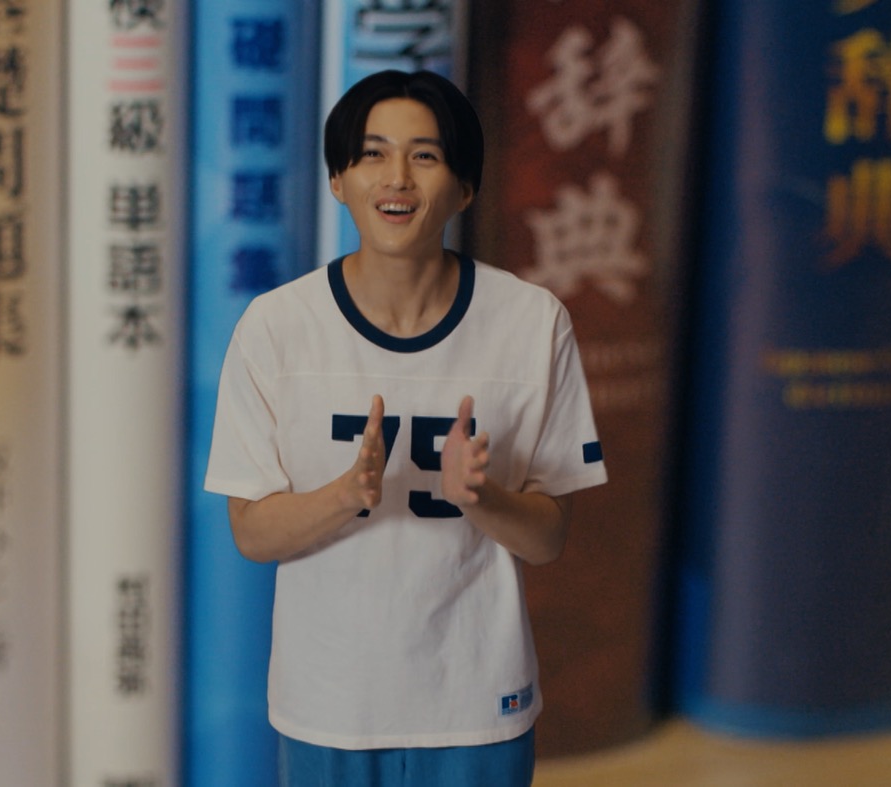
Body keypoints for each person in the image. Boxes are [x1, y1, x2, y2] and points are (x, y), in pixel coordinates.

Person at [203, 69, 607, 787]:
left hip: (476, 703)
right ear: (338, 179)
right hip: (328, 704)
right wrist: (345, 494)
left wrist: (482, 497)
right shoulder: (276, 327)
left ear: (465, 186)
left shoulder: (531, 323)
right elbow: (252, 534)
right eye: (372, 153)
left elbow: (548, 540)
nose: (397, 178)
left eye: (425, 155)